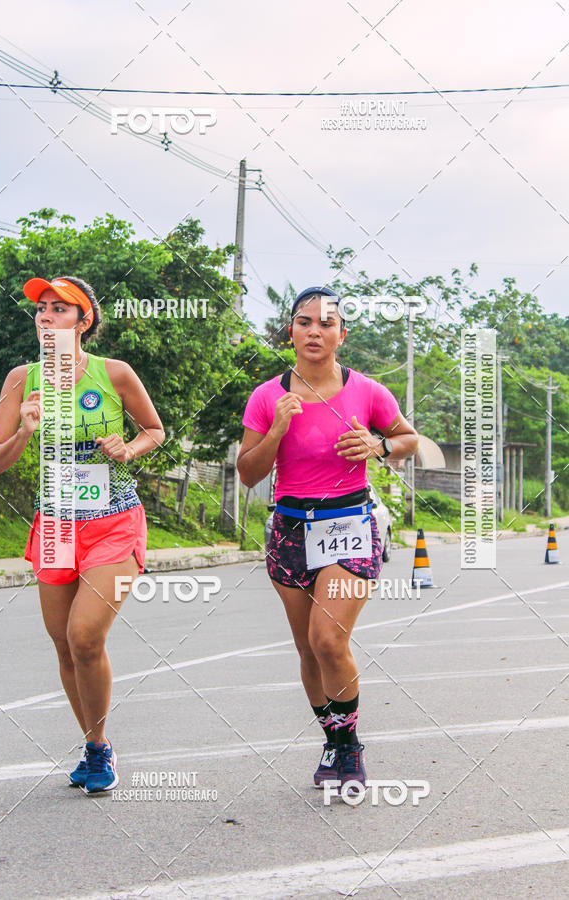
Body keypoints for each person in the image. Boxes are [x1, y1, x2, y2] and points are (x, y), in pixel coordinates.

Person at [0, 276, 165, 793]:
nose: (45, 316)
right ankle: (94, 746)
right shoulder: (23, 378)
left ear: (83, 321)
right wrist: (24, 429)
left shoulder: (115, 373)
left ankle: (101, 748)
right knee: (64, 646)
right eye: (40, 309)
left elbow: (153, 429)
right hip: (56, 526)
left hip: (114, 520)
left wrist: (127, 449)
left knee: (86, 637)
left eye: (59, 309)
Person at [237, 286, 418, 797]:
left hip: (348, 525)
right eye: (304, 321)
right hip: (290, 528)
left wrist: (379, 445)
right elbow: (248, 473)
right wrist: (276, 430)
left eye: (326, 322)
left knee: (327, 640)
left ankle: (351, 743)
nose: (315, 330)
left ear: (342, 333)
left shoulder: (368, 391)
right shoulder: (267, 395)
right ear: (290, 331)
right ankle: (334, 739)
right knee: (306, 649)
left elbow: (409, 439)